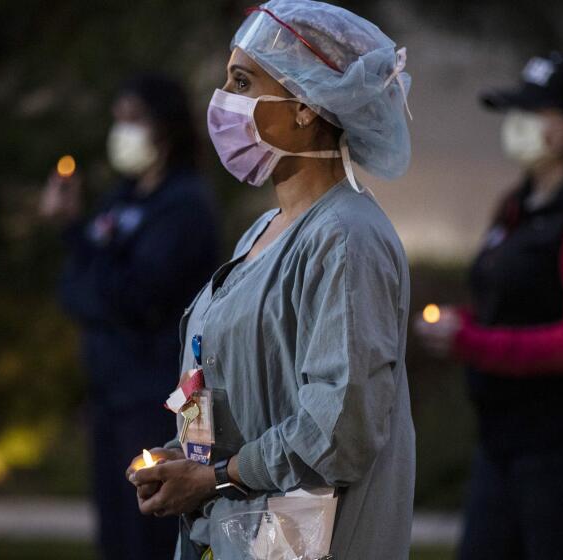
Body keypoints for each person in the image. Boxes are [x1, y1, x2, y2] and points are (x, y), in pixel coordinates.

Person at [125, 1, 416, 558]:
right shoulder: (266, 230)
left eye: (242, 82)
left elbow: (338, 429)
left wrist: (215, 479)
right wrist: (188, 457)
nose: (223, 103)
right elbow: (252, 390)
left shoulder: (346, 237)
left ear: (305, 104)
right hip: (237, 535)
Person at [415, 53, 563, 560]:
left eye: (533, 112)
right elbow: (516, 306)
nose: (515, 125)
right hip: (505, 438)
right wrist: (466, 324)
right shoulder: (517, 206)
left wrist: (472, 342)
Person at [40, 74, 219, 559]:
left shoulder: (183, 207)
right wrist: (74, 235)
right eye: (118, 120)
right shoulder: (121, 200)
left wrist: (91, 265)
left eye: (133, 120)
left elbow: (138, 298)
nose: (122, 131)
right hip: (110, 395)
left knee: (150, 536)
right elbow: (77, 292)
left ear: (164, 127)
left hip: (156, 398)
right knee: (116, 537)